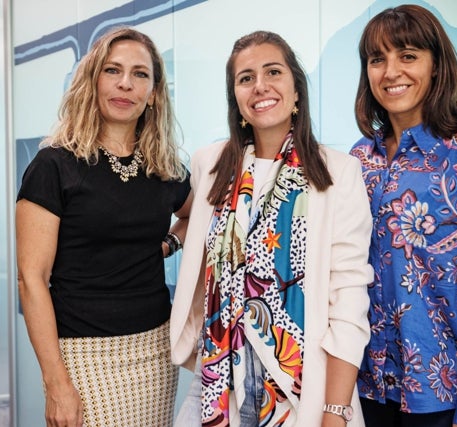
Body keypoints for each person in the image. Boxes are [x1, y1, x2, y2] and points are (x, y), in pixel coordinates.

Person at [170, 30, 373, 427]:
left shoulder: (338, 172)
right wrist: (166, 243)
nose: (260, 86)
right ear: (237, 100)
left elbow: (348, 299)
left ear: (296, 89)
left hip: (298, 386)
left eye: (273, 72)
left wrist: (335, 411)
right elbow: (188, 219)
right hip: (216, 380)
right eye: (246, 78)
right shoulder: (209, 166)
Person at [349, 5, 457, 427]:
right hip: (364, 388)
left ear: (436, 65)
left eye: (407, 55)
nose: (391, 71)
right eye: (378, 59)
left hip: (445, 396)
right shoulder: (359, 159)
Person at [15, 26, 192, 427]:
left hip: (154, 349)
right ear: (92, 80)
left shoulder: (164, 167)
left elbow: (197, 213)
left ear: (155, 92)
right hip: (82, 354)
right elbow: (31, 279)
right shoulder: (54, 166)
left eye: (140, 74)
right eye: (113, 70)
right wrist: (55, 381)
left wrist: (168, 244)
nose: (126, 83)